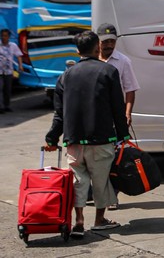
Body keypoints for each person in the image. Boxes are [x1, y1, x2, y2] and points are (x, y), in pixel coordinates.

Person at [44, 31, 130, 238]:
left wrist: (51, 138)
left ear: (77, 51)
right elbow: (118, 107)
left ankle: (79, 220)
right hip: (101, 138)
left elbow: (59, 113)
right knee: (101, 181)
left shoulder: (65, 76)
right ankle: (99, 220)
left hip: (74, 139)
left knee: (78, 181)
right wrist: (123, 135)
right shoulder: (109, 71)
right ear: (97, 48)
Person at [96, 22, 140, 210]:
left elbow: (130, 90)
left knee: (113, 158)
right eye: (105, 42)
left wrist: (127, 113)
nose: (108, 45)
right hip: (94, 117)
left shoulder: (123, 61)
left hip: (114, 117)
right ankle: (96, 192)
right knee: (95, 157)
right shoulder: (90, 60)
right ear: (98, 42)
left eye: (112, 42)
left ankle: (112, 194)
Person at [0, 29, 23, 113]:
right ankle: (1, 107)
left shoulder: (13, 45)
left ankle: (7, 105)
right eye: (2, 35)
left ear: (9, 37)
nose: (3, 37)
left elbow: (19, 55)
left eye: (5, 36)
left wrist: (20, 65)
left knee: (7, 89)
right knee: (0, 88)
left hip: (9, 71)